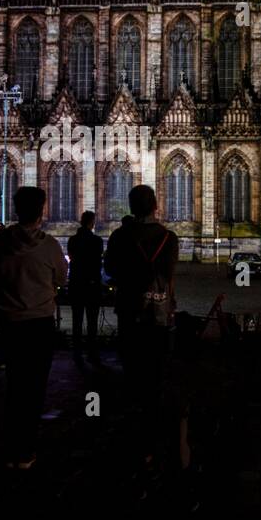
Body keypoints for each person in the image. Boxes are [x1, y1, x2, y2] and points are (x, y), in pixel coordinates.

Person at [104, 184, 182, 469]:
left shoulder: (119, 236)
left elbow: (110, 269)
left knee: (131, 373)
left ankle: (132, 433)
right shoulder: (168, 238)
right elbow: (169, 273)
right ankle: (152, 438)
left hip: (129, 312)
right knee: (156, 376)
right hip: (158, 315)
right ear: (155, 206)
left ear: (130, 207)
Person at [0, 186, 68, 469]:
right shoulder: (49, 246)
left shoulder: (0, 242)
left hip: (9, 323)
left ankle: (10, 444)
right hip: (39, 324)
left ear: (16, 210)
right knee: (35, 387)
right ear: (41, 211)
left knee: (14, 383)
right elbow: (62, 277)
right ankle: (26, 449)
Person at [66, 210, 104, 366]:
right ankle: (92, 353)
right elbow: (98, 260)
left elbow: (72, 258)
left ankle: (77, 352)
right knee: (92, 321)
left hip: (76, 283)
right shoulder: (97, 241)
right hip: (92, 284)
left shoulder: (72, 240)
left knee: (77, 319)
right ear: (91, 222)